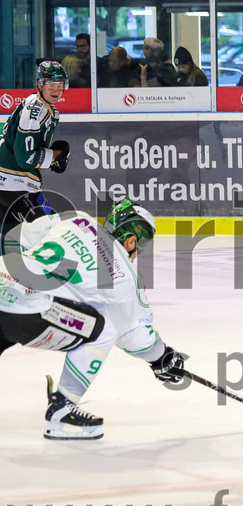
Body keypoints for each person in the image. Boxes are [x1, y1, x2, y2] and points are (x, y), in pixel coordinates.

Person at [0, 200, 187, 440]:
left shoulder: (76, 217)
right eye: (142, 245)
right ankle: (63, 405)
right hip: (25, 311)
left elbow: (18, 237)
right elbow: (131, 333)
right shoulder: (125, 277)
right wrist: (162, 357)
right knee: (105, 330)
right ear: (131, 240)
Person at [0, 61, 71, 241]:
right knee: (54, 231)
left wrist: (53, 157)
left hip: (9, 180)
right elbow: (25, 157)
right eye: (52, 85)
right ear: (40, 84)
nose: (57, 90)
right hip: (13, 181)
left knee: (7, 237)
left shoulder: (44, 108)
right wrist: (54, 157)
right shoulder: (35, 108)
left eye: (61, 85)